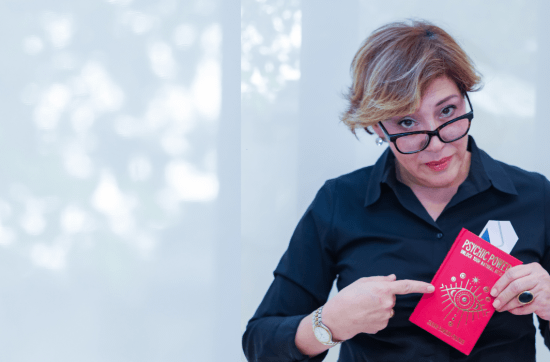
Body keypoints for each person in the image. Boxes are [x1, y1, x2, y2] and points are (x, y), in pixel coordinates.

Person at [242, 20, 550, 362]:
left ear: (465, 98)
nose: (435, 143)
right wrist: (329, 324)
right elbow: (259, 344)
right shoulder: (339, 202)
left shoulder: (536, 197)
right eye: (407, 122)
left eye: (447, 111)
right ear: (377, 126)